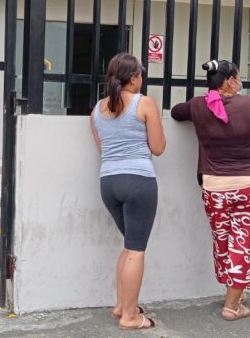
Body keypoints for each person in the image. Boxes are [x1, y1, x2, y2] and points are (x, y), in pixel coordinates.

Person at [170, 59, 250, 321]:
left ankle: (236, 292)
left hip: (214, 187)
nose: (240, 83)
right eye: (237, 78)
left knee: (224, 242)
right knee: (244, 244)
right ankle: (231, 307)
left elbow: (175, 112)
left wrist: (200, 108)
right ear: (228, 81)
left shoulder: (197, 106)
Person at [90, 53, 166, 330]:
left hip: (108, 182)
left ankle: (122, 305)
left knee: (129, 246)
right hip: (138, 182)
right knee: (136, 249)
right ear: (134, 77)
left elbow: (104, 148)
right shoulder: (144, 103)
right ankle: (131, 317)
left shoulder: (97, 109)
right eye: (141, 74)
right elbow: (158, 147)